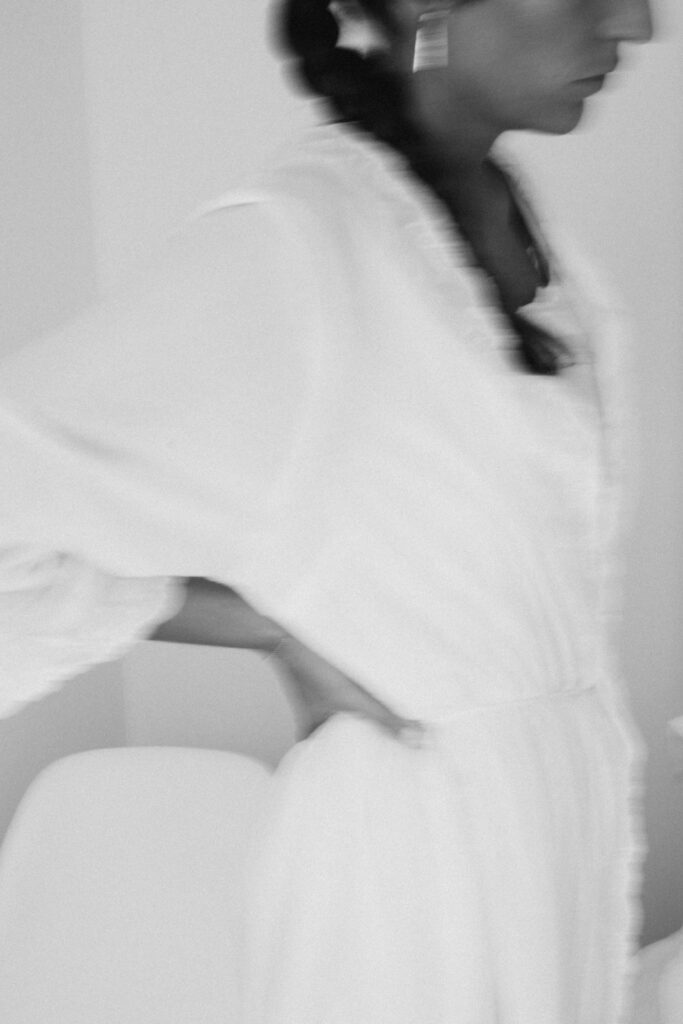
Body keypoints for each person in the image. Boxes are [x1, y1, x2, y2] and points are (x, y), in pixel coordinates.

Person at [0, 0, 654, 1020]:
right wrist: (264, 622)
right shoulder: (304, 241)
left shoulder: (497, 216)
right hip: (414, 871)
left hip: (547, 836)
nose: (637, 24)